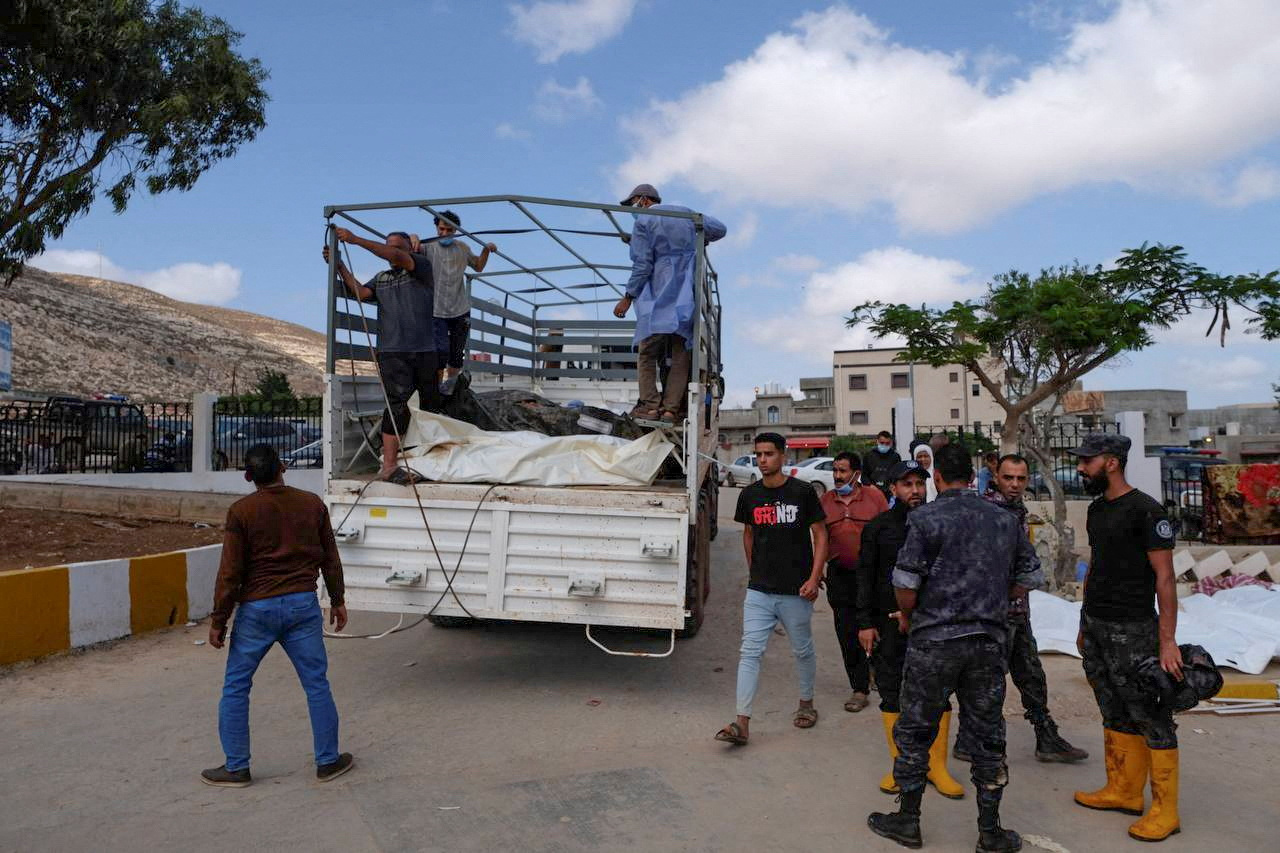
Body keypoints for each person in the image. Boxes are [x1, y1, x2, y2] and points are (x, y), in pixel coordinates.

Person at [867, 444, 1043, 852]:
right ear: (977, 476)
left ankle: (908, 821)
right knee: (987, 736)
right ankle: (990, 831)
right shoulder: (1004, 519)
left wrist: (911, 616)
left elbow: (905, 584)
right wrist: (996, 599)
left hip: (934, 641)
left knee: (914, 732)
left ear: (939, 478)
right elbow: (1030, 575)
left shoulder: (925, 518)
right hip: (987, 643)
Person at [201, 444, 353, 787]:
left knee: (236, 687)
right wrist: (338, 599)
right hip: (302, 604)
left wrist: (218, 621)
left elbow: (229, 572)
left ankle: (237, 767)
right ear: (284, 467)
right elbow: (330, 556)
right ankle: (328, 761)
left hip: (257, 609)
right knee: (316, 683)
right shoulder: (312, 503)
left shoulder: (241, 511)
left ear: (248, 476)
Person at [1069, 433, 1182, 843]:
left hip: (1135, 629)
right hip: (1098, 625)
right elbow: (1096, 567)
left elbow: (1165, 578)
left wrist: (1167, 641)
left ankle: (1165, 810)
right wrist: (1084, 623)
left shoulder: (1147, 511)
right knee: (1112, 707)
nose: (1081, 468)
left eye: (1087, 461)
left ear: (1111, 462)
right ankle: (1123, 790)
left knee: (1149, 714)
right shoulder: (1098, 510)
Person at [954, 454, 1088, 764]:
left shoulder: (1016, 510)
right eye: (1008, 478)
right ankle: (968, 739)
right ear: (995, 476)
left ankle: (1046, 737)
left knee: (1031, 676)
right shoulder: (987, 512)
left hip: (1018, 613)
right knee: (987, 680)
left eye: (1021, 478)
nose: (1015, 484)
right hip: (993, 615)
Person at [856, 460, 964, 800]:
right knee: (891, 691)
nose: (914, 491)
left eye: (920, 483)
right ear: (893, 489)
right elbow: (865, 577)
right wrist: (865, 623)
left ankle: (937, 766)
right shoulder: (878, 529)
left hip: (933, 626)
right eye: (907, 484)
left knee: (938, 693)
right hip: (888, 626)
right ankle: (901, 765)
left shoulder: (939, 523)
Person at [715, 432, 826, 745]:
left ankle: (806, 704)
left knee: (802, 650)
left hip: (796, 591)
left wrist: (814, 578)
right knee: (750, 652)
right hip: (760, 591)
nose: (763, 460)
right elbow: (748, 535)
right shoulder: (749, 495)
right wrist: (755, 573)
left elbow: (820, 535)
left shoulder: (802, 492)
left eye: (769, 454)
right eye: (759, 455)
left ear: (783, 457)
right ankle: (741, 723)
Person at [325, 227, 438, 482]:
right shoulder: (382, 278)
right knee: (397, 406)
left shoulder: (421, 266)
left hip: (424, 350)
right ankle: (389, 466)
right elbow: (361, 293)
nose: (392, 251)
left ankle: (427, 459)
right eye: (389, 246)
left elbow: (396, 256)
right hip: (392, 351)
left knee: (430, 405)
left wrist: (355, 240)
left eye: (397, 246)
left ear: (410, 248)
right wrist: (340, 265)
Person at [612, 183, 726, 425]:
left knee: (647, 353)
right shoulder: (684, 213)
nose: (633, 209)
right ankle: (671, 410)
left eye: (633, 204)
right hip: (684, 293)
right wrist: (699, 239)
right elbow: (720, 229)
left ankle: (651, 406)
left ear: (643, 200)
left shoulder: (644, 221)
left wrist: (628, 297)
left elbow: (643, 264)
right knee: (680, 353)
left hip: (657, 294)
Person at [821, 451, 888, 713]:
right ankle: (859, 688)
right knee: (847, 633)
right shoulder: (825, 501)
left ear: (857, 473)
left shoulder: (875, 498)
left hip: (873, 576)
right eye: (835, 471)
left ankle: (882, 677)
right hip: (840, 576)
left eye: (843, 471)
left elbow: (888, 531)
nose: (838, 476)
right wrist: (818, 572)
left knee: (878, 628)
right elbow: (818, 538)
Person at [418, 210, 496, 392]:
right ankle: (436, 390)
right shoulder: (427, 247)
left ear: (456, 231)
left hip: (460, 309)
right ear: (436, 228)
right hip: (437, 310)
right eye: (441, 229)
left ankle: (451, 390)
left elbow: (478, 266)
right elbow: (407, 250)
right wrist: (413, 237)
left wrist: (486, 250)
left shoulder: (462, 247)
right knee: (439, 352)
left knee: (456, 353)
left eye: (449, 230)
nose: (444, 234)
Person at [862, 430, 901, 497]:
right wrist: (870, 485)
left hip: (889, 493)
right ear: (877, 441)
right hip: (872, 492)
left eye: (887, 443)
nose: (884, 445)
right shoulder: (868, 456)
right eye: (882, 443)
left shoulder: (895, 456)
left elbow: (898, 474)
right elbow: (864, 475)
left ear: (891, 443)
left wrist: (893, 486)